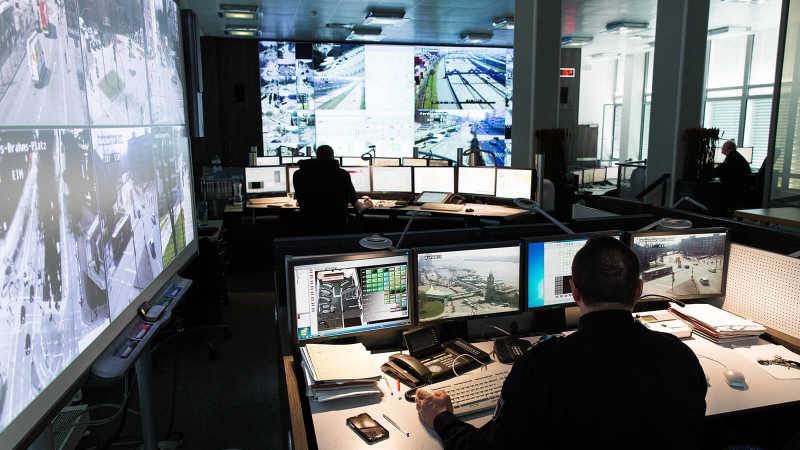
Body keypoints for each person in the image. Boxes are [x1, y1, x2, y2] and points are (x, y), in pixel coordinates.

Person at [415, 237, 707, 450]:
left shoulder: (541, 364)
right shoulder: (679, 356)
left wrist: (441, 418)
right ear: (639, 290)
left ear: (573, 291)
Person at [292, 145, 371, 233]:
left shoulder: (298, 174)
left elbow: (300, 199)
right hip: (336, 225)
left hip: (309, 224)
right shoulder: (342, 174)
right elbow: (358, 207)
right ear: (332, 156)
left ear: (316, 156)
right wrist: (367, 205)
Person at [714, 140, 751, 211]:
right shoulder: (736, 156)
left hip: (733, 188)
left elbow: (718, 171)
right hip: (740, 187)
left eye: (723, 147)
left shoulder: (732, 158)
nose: (722, 149)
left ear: (729, 149)